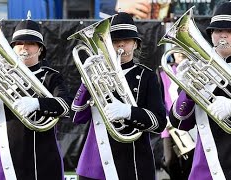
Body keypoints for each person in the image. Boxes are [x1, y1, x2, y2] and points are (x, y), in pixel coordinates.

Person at [0, 17, 72, 180]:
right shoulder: (1, 76)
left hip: (43, 159)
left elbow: (66, 106)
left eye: (30, 44)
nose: (24, 48)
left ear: (40, 49)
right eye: (19, 44)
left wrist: (37, 103)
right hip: (5, 158)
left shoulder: (50, 76)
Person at [71, 12, 166, 180]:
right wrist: (86, 82)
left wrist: (129, 112)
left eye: (127, 40)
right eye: (115, 41)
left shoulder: (147, 77)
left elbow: (159, 123)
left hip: (132, 163)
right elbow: (77, 117)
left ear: (135, 44)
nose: (121, 45)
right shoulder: (96, 74)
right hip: (94, 163)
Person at [169, 1, 231, 179]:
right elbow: (180, 123)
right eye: (217, 31)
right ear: (211, 35)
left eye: (229, 31)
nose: (222, 36)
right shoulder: (202, 68)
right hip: (204, 169)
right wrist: (188, 89)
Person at [158, 52, 196, 180]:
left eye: (182, 49)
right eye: (176, 50)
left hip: (188, 123)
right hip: (169, 123)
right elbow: (160, 99)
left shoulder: (194, 68)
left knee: (190, 159)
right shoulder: (163, 71)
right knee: (169, 159)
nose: (179, 53)